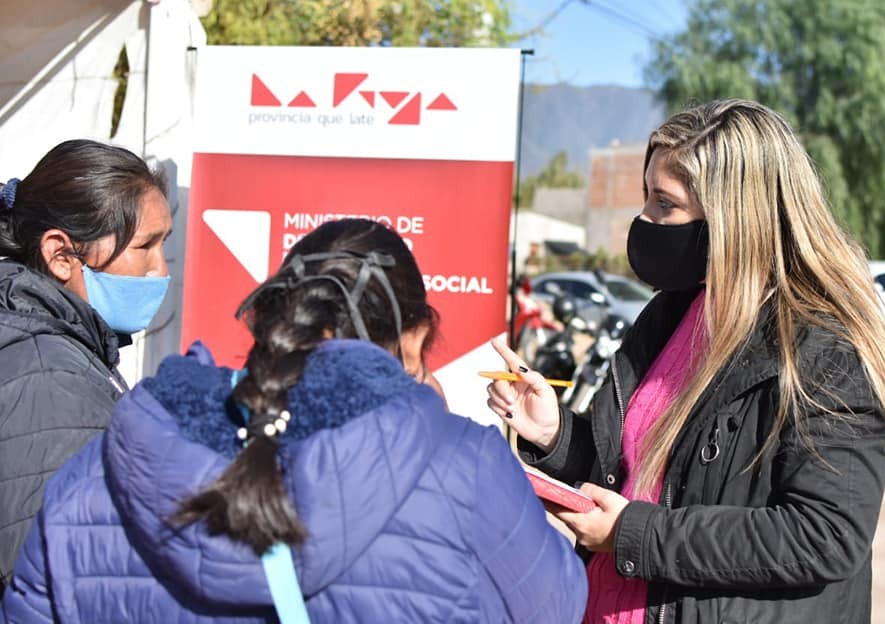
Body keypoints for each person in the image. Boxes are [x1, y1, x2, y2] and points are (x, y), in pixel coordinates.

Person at [3, 218, 588, 623]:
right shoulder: (466, 467)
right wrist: (431, 431)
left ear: (273, 326)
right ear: (413, 341)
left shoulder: (104, 465)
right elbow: (554, 607)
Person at [486, 99, 885, 623]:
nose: (644, 219)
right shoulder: (670, 313)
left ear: (733, 219)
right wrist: (553, 434)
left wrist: (634, 534)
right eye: (646, 196)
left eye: (664, 203)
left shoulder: (824, 351)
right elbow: (632, 474)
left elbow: (825, 535)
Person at [0, 139, 171, 590]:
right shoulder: (49, 376)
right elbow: (56, 573)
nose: (160, 268)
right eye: (145, 246)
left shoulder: (57, 346)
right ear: (61, 255)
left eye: (164, 244)